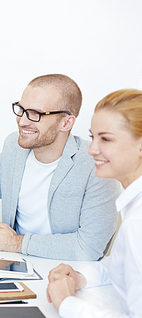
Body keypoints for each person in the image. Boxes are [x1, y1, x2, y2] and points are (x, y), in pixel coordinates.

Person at [0, 74, 119, 260]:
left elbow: (89, 247)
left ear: (66, 123)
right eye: (21, 109)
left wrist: (18, 243)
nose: (22, 121)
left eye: (36, 114)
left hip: (70, 271)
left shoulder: (96, 165)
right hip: (17, 265)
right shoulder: (13, 146)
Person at [47, 89, 142, 317]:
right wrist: (79, 276)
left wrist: (66, 303)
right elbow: (119, 265)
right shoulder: (133, 207)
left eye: (106, 139)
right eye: (93, 137)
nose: (92, 150)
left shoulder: (137, 223)